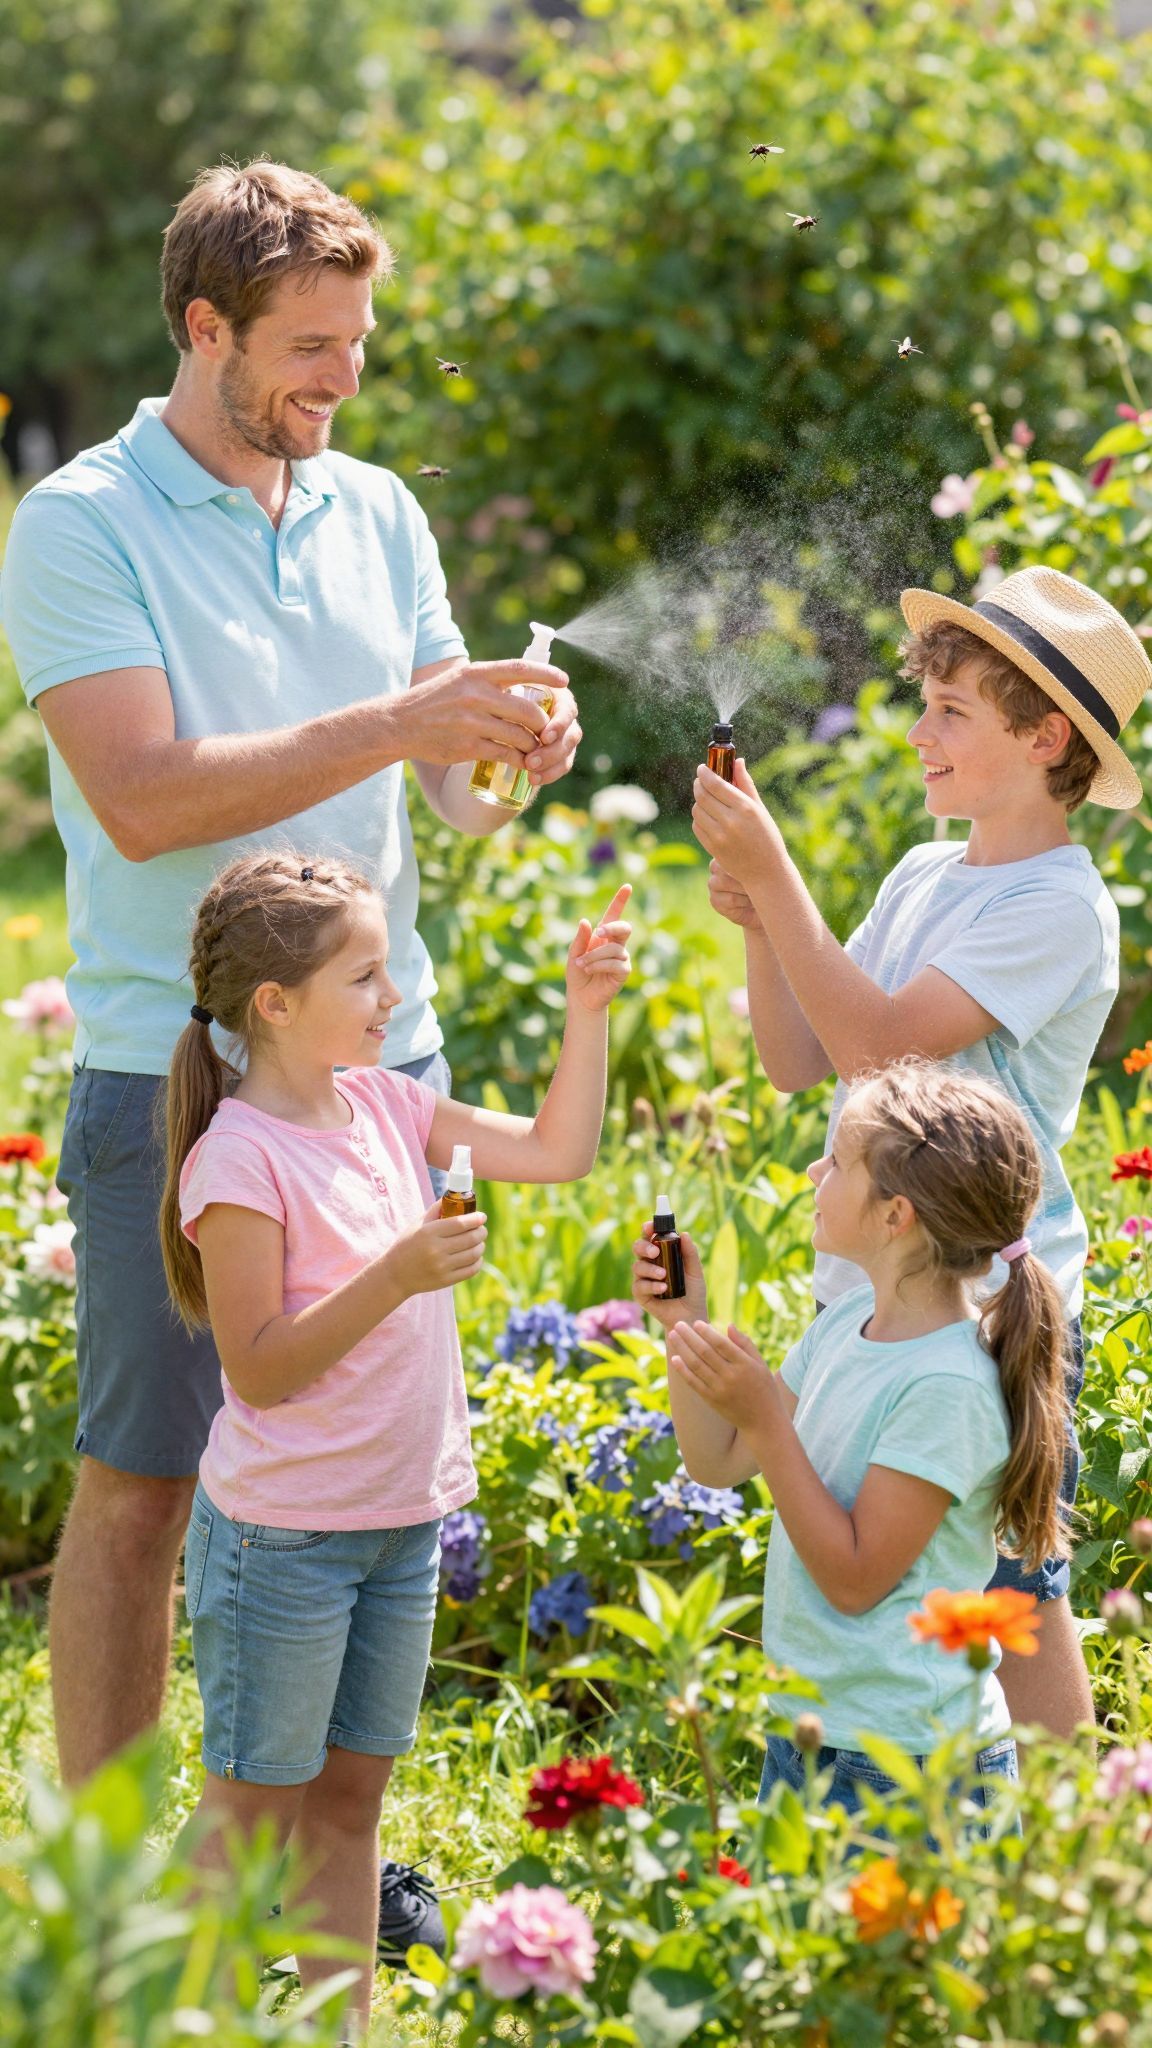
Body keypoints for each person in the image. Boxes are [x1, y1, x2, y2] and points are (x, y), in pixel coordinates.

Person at [0, 158, 582, 1948]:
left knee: (360, 1462)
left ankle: (320, 1857)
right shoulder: (80, 523)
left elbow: (448, 799)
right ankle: (103, 1890)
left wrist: (499, 748)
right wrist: (410, 711)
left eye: (356, 342)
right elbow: (144, 789)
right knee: (146, 1471)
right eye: (309, 347)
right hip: (172, 1070)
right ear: (205, 325)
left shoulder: (375, 506)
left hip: (376, 1063)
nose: (340, 379)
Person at [161, 851, 630, 2030]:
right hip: (283, 1540)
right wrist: (399, 1272)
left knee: (351, 1797)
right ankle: (144, 2007)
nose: (390, 998)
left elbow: (558, 1148)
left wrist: (586, 1011)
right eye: (364, 976)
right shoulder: (238, 1157)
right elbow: (261, 1364)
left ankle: (339, 2026)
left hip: (398, 1522)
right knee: (252, 1810)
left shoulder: (385, 1104)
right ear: (275, 1003)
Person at [691, 565, 1149, 1741]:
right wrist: (758, 913)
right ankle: (937, 1838)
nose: (918, 731)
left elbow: (885, 1048)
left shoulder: (1059, 904)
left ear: (1047, 737)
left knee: (1007, 1590)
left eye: (953, 710)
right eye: (925, 701)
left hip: (986, 1301)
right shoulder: (921, 873)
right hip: (878, 1287)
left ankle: (1066, 1846)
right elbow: (804, 1055)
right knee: (901, 1587)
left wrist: (776, 871)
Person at [633, 1059, 1068, 1819]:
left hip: (911, 1759)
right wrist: (685, 1327)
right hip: (815, 1726)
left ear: (895, 1216)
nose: (812, 1171)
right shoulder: (844, 1326)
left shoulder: (947, 1386)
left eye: (836, 1161)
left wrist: (770, 1422)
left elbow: (855, 1578)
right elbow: (716, 1461)